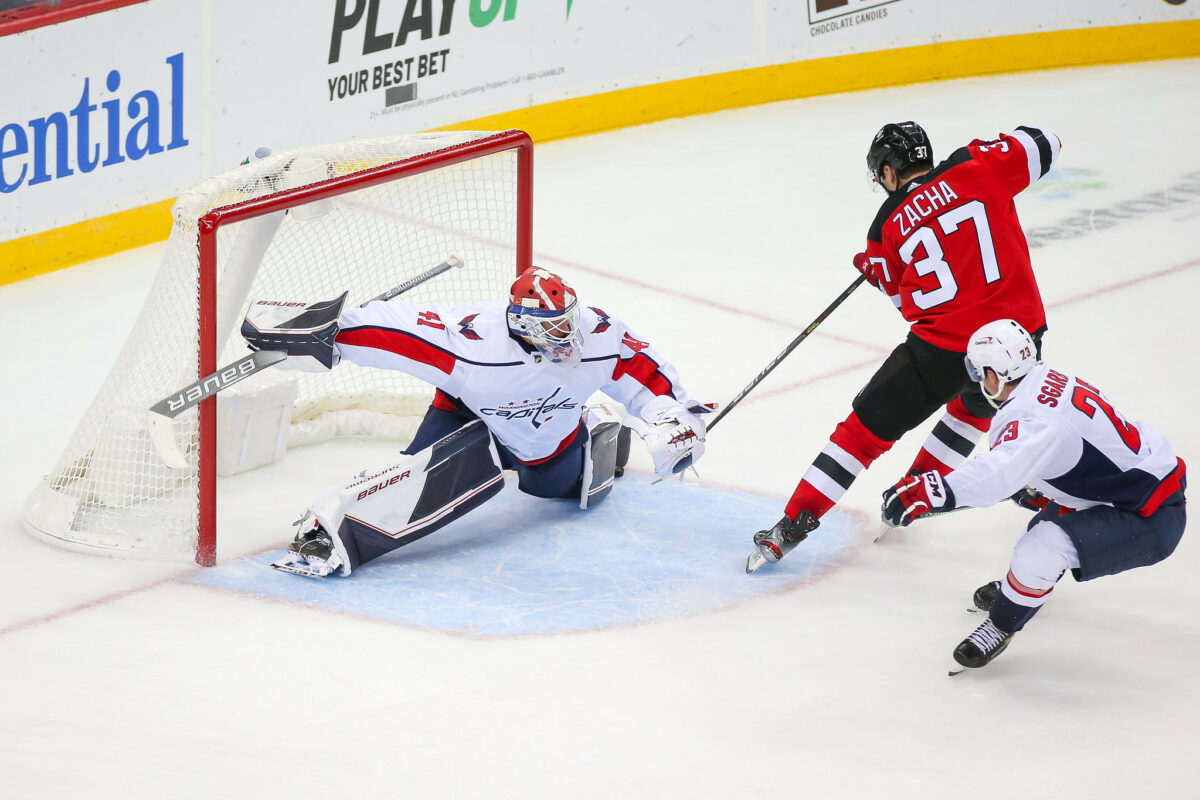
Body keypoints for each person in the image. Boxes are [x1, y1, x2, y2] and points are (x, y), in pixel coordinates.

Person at [243, 266, 709, 578]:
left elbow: (647, 373)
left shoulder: (599, 331)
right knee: (419, 472)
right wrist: (328, 334)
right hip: (468, 412)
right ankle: (338, 535)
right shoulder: (471, 340)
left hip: (549, 431)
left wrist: (673, 419)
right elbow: (395, 331)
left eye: (566, 320)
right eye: (550, 328)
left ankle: (600, 430)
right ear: (520, 322)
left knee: (551, 485)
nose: (566, 335)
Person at [748, 120, 1062, 572]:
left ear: (890, 172)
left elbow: (909, 304)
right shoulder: (975, 166)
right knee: (974, 408)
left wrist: (877, 271)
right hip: (1017, 338)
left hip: (942, 349)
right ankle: (918, 490)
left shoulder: (884, 230)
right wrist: (997, 149)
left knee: (861, 434)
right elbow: (1045, 141)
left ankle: (794, 523)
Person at [881, 319, 1187, 672]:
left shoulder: (1032, 419)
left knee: (1042, 545)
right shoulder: (1048, 379)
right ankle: (1024, 589)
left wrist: (935, 491)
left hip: (1149, 516)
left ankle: (1001, 624)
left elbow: (997, 474)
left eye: (980, 372)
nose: (980, 381)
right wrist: (1041, 486)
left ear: (997, 374)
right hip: (1136, 487)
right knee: (1040, 535)